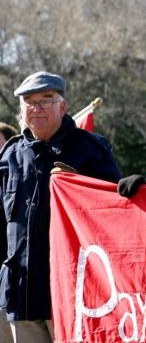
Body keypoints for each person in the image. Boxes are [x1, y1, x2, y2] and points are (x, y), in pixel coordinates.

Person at [0, 71, 121, 343]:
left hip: (72, 293)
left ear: (62, 106)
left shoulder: (90, 149)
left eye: (46, 100)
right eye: (30, 101)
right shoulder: (10, 154)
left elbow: (113, 214)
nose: (37, 107)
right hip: (21, 294)